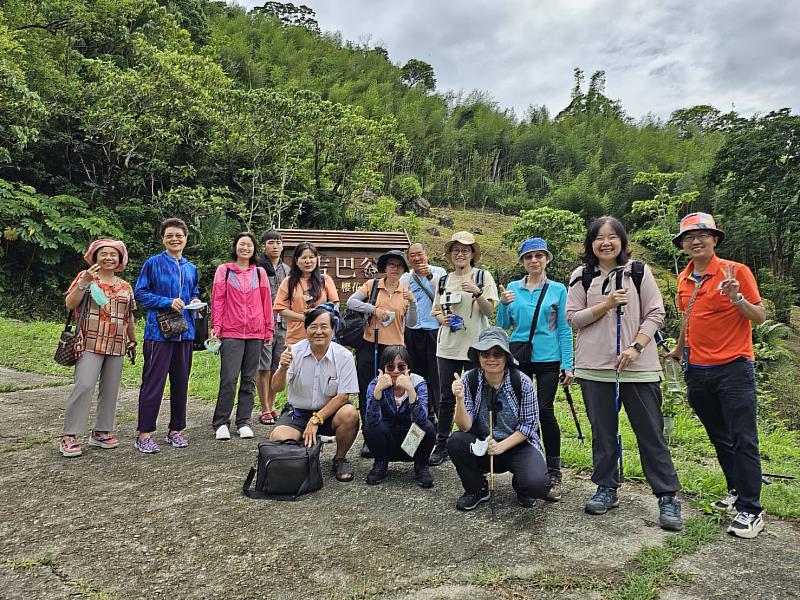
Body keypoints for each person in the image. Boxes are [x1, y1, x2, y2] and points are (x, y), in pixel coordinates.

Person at [566, 216, 682, 531]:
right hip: (593, 368)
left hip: (639, 369)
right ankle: (606, 487)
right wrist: (605, 305)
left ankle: (667, 496)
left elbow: (656, 313)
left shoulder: (639, 272)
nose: (606, 243)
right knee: (602, 433)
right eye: (598, 237)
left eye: (612, 237)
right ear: (590, 244)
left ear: (622, 241)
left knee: (651, 434)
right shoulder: (581, 276)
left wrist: (636, 347)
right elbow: (574, 319)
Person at [666, 212, 767, 539]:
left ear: (715, 239)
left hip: (733, 369)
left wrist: (737, 298)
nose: (696, 241)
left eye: (702, 235)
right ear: (682, 244)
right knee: (720, 437)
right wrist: (679, 348)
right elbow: (688, 317)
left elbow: (760, 316)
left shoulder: (736, 272)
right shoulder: (684, 279)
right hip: (697, 371)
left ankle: (752, 509)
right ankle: (736, 490)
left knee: (743, 438)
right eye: (689, 237)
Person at [496, 237, 574, 501]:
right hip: (519, 355)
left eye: (539, 256)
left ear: (547, 259)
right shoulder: (512, 289)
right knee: (520, 411)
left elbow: (564, 328)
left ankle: (553, 470)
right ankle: (530, 465)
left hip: (548, 356)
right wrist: (503, 304)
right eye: (528, 257)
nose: (534, 261)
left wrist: (568, 362)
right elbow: (503, 325)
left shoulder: (558, 289)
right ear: (522, 261)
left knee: (544, 409)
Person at [448, 327, 549, 510]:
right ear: (478, 357)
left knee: (537, 485)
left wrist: (501, 446)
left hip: (517, 444)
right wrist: (460, 399)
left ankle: (522, 487)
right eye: (485, 354)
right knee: (456, 441)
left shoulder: (522, 382)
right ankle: (477, 488)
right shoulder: (469, 380)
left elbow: (529, 426)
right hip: (483, 444)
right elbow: (464, 426)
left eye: (497, 354)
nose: (491, 359)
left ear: (506, 357)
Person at [59, 240, 137, 457]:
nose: (109, 257)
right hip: (89, 342)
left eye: (114, 254)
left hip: (117, 344)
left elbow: (128, 316)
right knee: (84, 385)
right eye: (104, 253)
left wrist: (132, 341)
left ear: (120, 260)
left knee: (110, 390)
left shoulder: (125, 286)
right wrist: (84, 282)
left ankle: (102, 431)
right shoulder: (86, 278)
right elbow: (70, 304)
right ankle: (70, 435)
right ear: (95, 256)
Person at [429, 231, 499, 466]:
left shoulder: (482, 276)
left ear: (472, 254)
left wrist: (477, 293)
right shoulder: (442, 280)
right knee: (446, 397)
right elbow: (436, 311)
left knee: (477, 396)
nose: (460, 254)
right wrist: (443, 320)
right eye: (456, 250)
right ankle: (442, 443)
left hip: (476, 348)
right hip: (447, 347)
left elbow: (490, 312)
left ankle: (477, 440)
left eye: (465, 250)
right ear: (450, 255)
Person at [270, 307, 360, 482]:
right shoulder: (294, 352)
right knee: (277, 439)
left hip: (330, 413)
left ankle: (339, 458)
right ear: (306, 329)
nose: (319, 331)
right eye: (313, 326)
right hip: (298, 412)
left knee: (350, 414)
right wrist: (282, 368)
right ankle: (304, 454)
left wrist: (316, 419)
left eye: (324, 327)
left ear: (332, 330)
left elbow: (343, 396)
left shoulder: (344, 356)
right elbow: (276, 387)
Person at [134, 218, 201, 454]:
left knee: (181, 382)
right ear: (163, 238)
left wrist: (194, 301)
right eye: (169, 235)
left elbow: (194, 291)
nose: (175, 239)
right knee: (153, 383)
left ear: (186, 238)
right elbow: (140, 293)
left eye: (179, 235)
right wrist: (166, 302)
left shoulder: (191, 268)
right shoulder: (153, 264)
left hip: (185, 333)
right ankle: (144, 434)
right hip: (158, 333)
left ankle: (176, 430)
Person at [346, 250, 418, 457]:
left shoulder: (405, 291)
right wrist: (374, 310)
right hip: (371, 346)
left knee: (395, 393)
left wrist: (412, 302)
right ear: (384, 268)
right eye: (391, 265)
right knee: (368, 391)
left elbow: (412, 322)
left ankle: (393, 435)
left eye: (399, 266)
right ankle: (369, 436)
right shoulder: (373, 286)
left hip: (395, 351)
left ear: (403, 270)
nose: (394, 269)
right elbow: (352, 302)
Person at [210, 232, 274, 441]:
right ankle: (221, 422)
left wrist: (268, 329)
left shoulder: (259, 273)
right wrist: (216, 326)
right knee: (228, 378)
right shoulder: (225, 271)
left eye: (249, 245)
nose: (245, 248)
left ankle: (243, 421)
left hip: (255, 333)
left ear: (254, 249)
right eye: (241, 244)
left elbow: (266, 303)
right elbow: (217, 300)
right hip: (231, 332)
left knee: (249, 379)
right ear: (235, 247)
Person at [363, 346, 436, 488]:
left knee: (428, 426)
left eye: (401, 366)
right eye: (390, 367)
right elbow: (371, 421)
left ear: (408, 368)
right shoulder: (376, 383)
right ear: (384, 368)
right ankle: (380, 463)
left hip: (410, 444)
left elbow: (421, 419)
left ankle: (421, 466)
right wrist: (378, 392)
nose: (396, 371)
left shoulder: (418, 383)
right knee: (370, 428)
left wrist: (410, 390)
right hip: (387, 442)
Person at [400, 243, 447, 427]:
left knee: (436, 377)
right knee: (417, 376)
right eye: (412, 256)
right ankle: (422, 418)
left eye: (419, 254)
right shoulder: (406, 278)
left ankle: (440, 421)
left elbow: (444, 296)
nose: (417, 259)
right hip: (413, 331)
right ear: (408, 259)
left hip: (434, 330)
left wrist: (429, 277)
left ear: (427, 255)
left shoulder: (439, 272)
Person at [273, 241, 339, 346]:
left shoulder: (325, 280)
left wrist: (319, 316)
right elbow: (281, 309)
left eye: (311, 257)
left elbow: (335, 305)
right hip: (296, 338)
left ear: (317, 259)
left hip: (322, 337)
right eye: (304, 258)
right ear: (296, 260)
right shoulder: (288, 282)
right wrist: (304, 318)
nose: (308, 261)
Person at [256, 229, 290, 425]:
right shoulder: (257, 268)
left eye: (278, 242)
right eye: (271, 243)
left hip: (284, 324)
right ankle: (264, 408)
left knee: (278, 365)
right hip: (262, 324)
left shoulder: (288, 270)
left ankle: (272, 405)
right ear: (264, 246)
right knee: (263, 366)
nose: (275, 246)